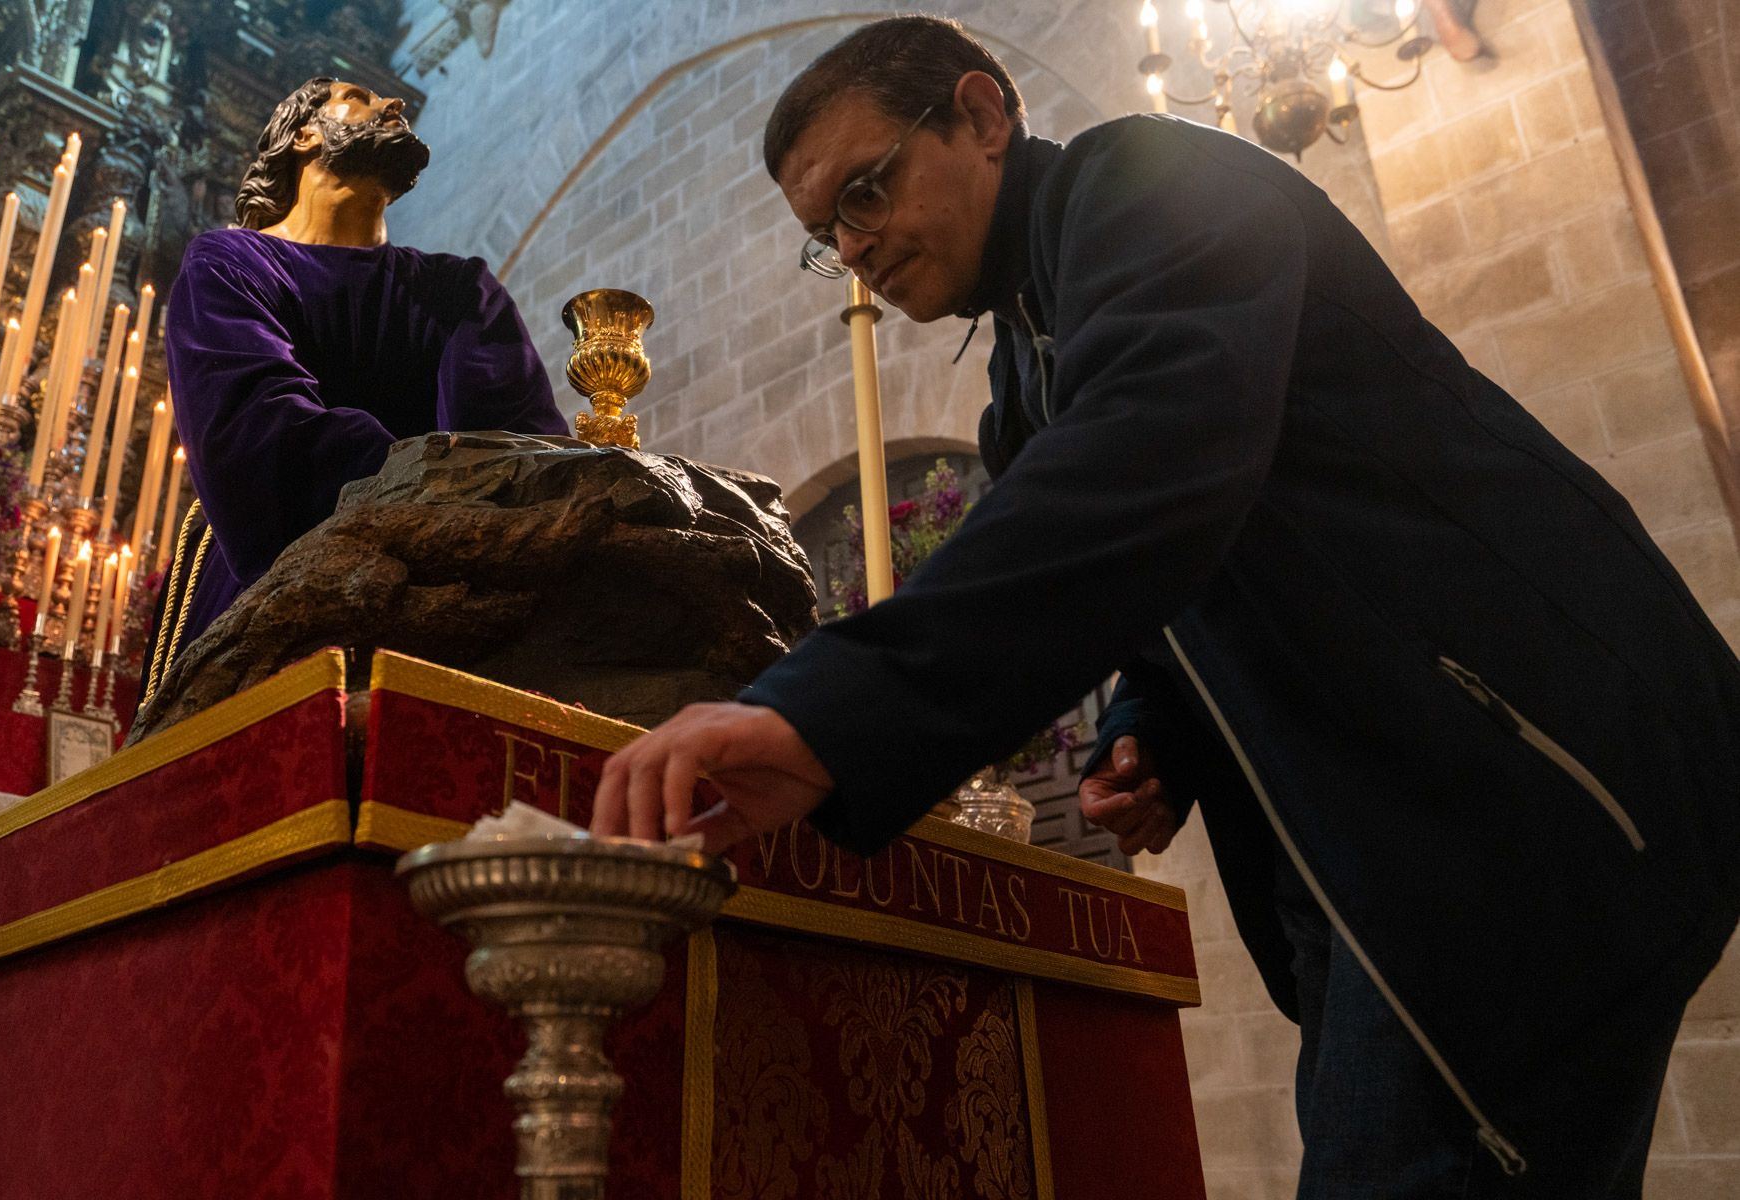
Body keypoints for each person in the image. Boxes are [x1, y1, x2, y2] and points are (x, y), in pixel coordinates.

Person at [590, 15, 1740, 1196]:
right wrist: (1156, 730)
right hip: (1377, 838)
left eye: (868, 191)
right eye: (826, 234)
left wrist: (827, 712)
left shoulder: (1153, 184)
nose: (858, 246)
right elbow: (1184, 576)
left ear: (983, 118)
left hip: (1514, 782)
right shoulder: (1020, 377)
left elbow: (1152, 456)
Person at [157, 76, 567, 651]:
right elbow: (259, 435)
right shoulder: (231, 263)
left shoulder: (459, 288)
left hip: (469, 576)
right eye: (360, 97)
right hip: (284, 577)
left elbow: (519, 447)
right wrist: (432, 487)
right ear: (303, 135)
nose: (393, 103)